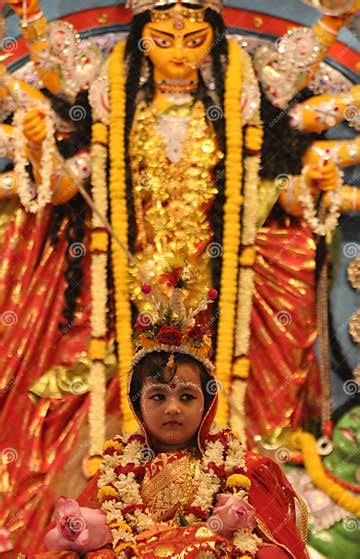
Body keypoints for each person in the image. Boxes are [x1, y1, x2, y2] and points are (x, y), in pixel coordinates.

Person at [42, 283, 310, 558]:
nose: (172, 408)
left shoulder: (244, 470)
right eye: (158, 397)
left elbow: (277, 550)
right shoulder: (114, 470)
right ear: (137, 404)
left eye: (186, 397)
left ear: (207, 402)